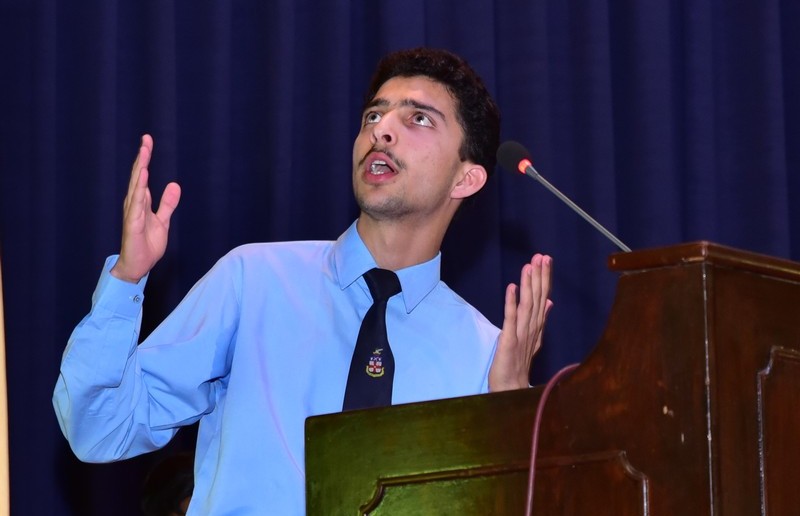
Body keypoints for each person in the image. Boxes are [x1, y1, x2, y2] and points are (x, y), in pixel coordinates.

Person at [53, 47, 552, 514]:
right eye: (373, 116)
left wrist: (510, 408)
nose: (382, 131)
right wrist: (126, 279)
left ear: (466, 178)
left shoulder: (486, 356)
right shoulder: (253, 281)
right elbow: (100, 430)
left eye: (418, 118)